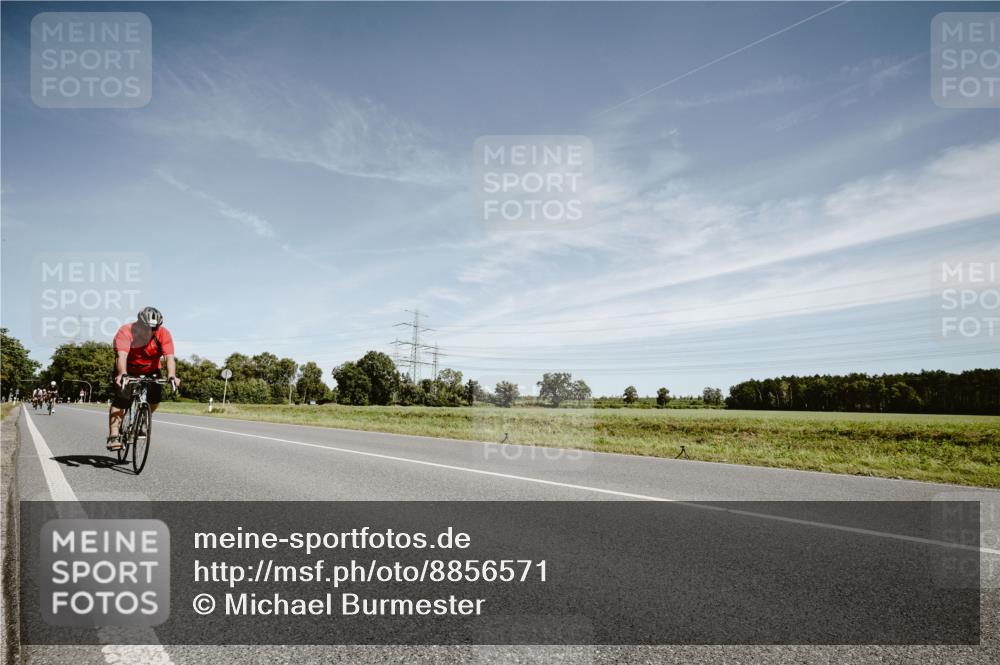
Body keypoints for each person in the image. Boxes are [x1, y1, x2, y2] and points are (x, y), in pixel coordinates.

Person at [107, 307, 180, 450]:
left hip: (151, 370)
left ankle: (144, 421)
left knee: (155, 397)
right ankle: (114, 435)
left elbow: (170, 359)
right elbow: (121, 356)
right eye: (146, 327)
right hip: (127, 369)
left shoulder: (163, 334)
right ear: (138, 324)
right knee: (122, 399)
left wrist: (172, 375)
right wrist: (122, 373)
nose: (150, 331)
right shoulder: (126, 331)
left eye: (154, 328)